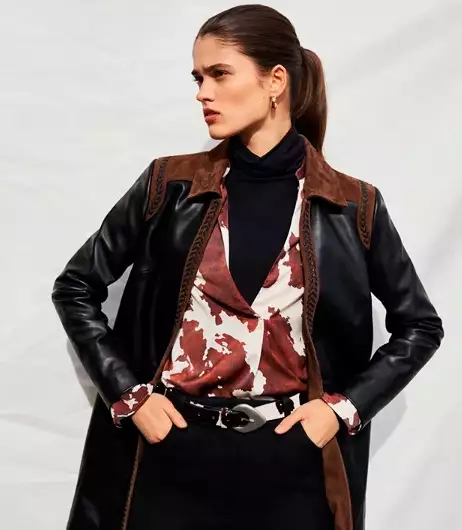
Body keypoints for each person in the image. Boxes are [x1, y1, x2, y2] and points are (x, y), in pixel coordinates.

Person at [51, 4, 444, 530]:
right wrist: (130, 395)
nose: (203, 93)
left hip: (293, 464)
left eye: (219, 74)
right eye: (198, 78)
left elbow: (420, 325)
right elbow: (75, 286)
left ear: (275, 80)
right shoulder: (169, 186)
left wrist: (342, 410)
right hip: (172, 454)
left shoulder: (352, 206)